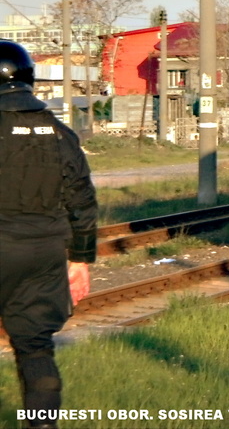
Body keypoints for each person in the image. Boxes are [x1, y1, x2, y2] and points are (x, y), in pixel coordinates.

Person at [0, 40, 97, 429]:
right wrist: (81, 259)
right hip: (43, 252)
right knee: (36, 346)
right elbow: (83, 200)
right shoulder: (59, 133)